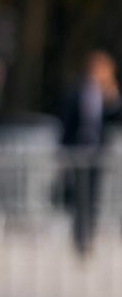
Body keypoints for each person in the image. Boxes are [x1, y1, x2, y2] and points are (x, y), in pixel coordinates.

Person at [59, 49, 121, 258]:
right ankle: (79, 237)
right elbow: (67, 121)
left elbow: (114, 120)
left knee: (94, 195)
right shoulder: (77, 90)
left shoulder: (109, 93)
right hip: (78, 150)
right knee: (79, 195)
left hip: (98, 151)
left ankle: (89, 235)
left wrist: (112, 97)